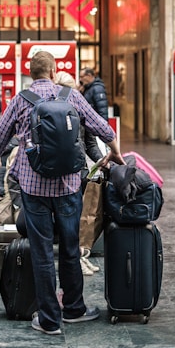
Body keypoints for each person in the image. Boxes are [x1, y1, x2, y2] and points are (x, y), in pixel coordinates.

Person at [0, 50, 125, 335]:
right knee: (71, 248)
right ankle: (74, 309)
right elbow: (100, 126)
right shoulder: (70, 96)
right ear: (53, 70)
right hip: (68, 186)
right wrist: (115, 150)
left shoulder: (20, 100)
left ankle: (49, 319)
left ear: (30, 73)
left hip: (33, 188)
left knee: (41, 252)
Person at [55, 70, 102, 277]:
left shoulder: (81, 107)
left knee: (78, 219)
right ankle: (75, 261)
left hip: (76, 169)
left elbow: (90, 141)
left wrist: (101, 161)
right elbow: (94, 140)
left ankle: (79, 258)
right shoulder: (54, 109)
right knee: (73, 220)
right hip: (64, 173)